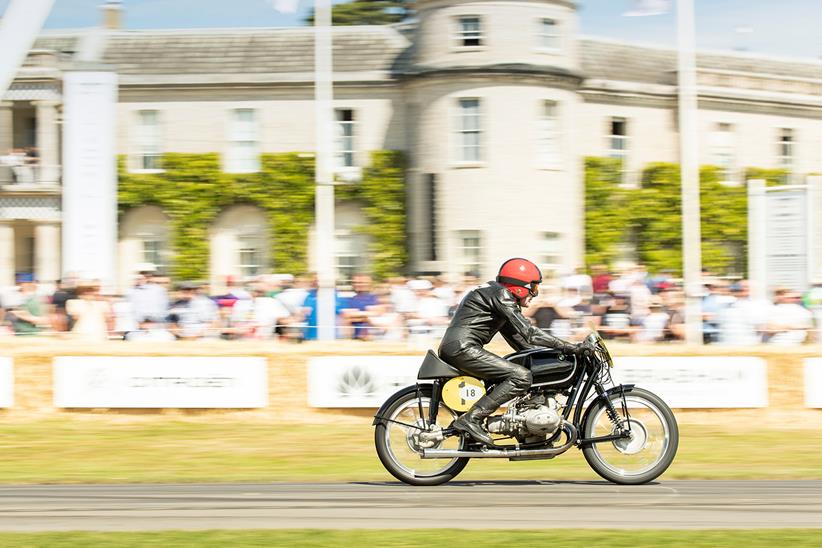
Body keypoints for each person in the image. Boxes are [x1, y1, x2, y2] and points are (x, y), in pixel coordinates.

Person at [438, 258, 592, 446]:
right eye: (533, 288)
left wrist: (552, 359)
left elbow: (520, 341)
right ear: (519, 286)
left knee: (520, 372)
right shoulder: (501, 295)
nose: (535, 294)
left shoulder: (497, 296)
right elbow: (530, 333)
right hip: (462, 348)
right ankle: (472, 419)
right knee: (521, 377)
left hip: (460, 347)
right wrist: (571, 347)